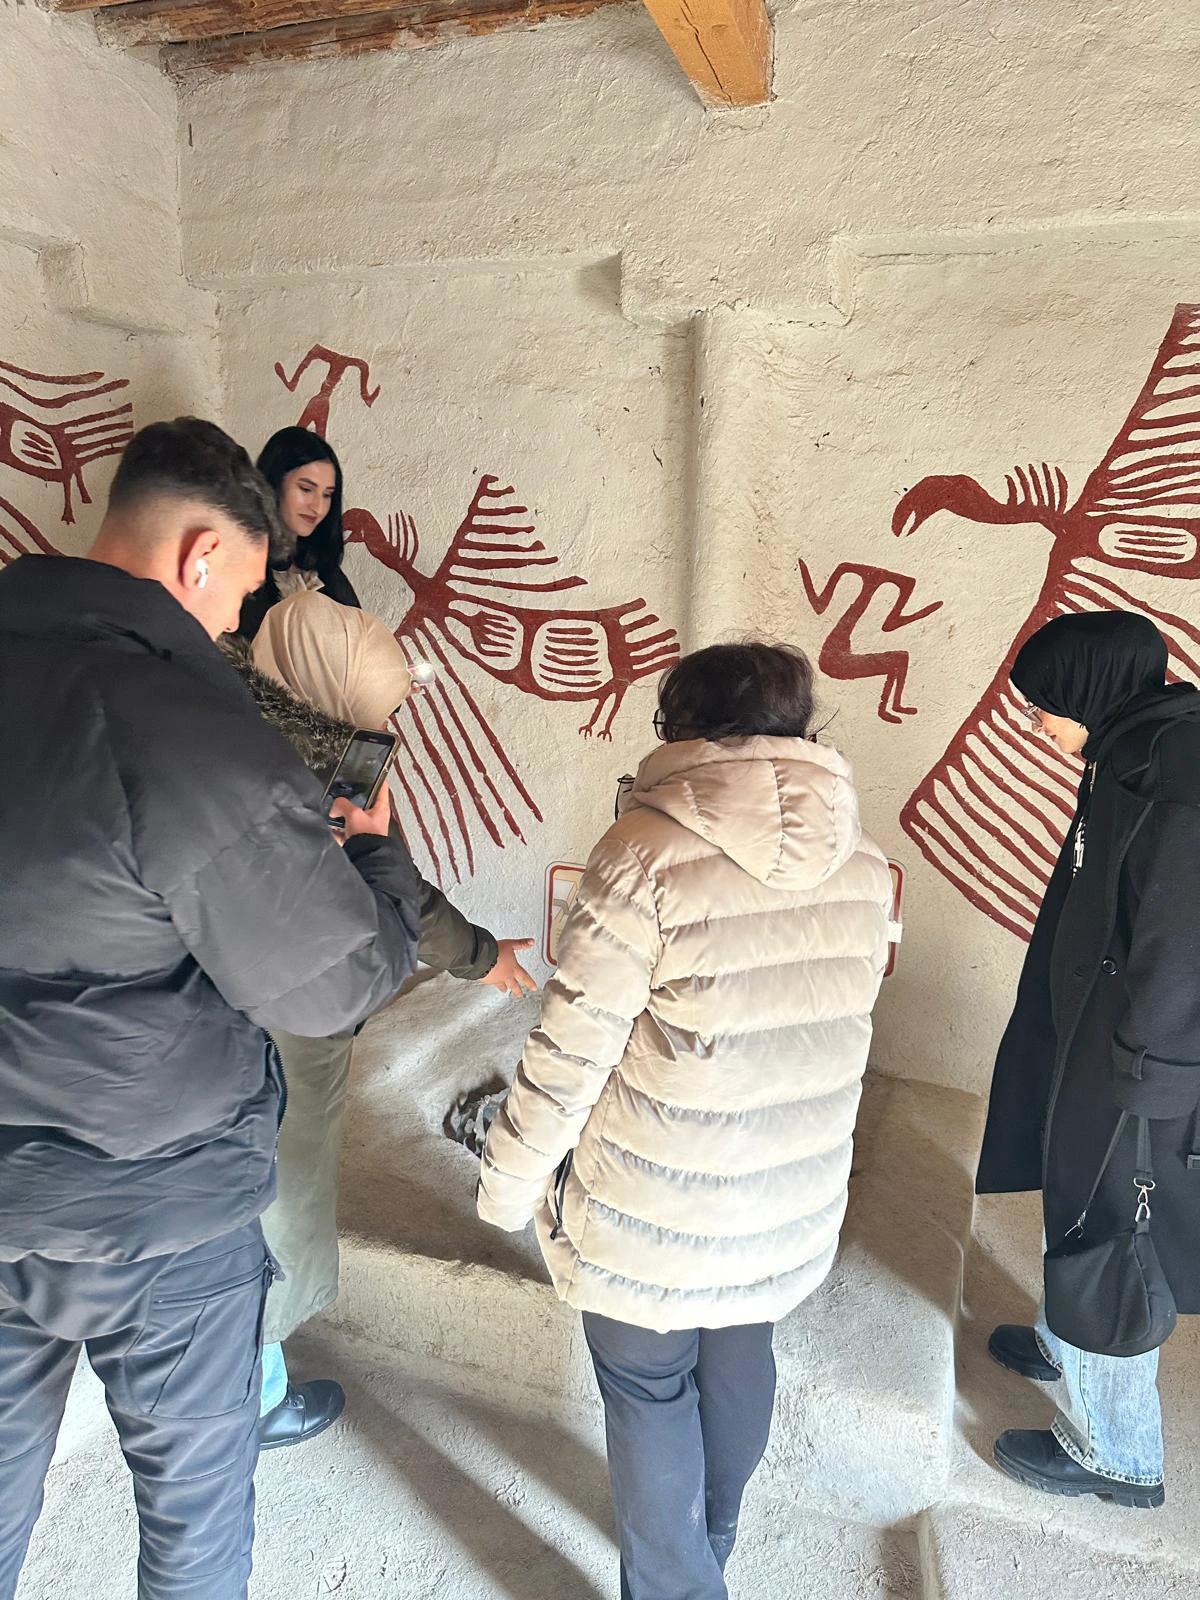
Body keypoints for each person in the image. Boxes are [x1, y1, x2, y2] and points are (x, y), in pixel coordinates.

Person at [0, 419, 423, 1600]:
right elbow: (335, 980)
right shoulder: (185, 731)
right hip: (160, 1208)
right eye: (237, 597)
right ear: (200, 555)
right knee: (191, 1527)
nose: (234, 626)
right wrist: (376, 862)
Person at [477, 641, 892, 1600]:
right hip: (786, 1185)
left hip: (649, 1196)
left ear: (680, 725)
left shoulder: (642, 854)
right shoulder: (864, 863)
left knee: (648, 1387)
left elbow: (572, 1049)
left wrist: (509, 1180)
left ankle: (678, 1583)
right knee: (741, 1348)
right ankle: (714, 1536)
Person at [226, 590, 536, 1446]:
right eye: (377, 703)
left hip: (216, 1006)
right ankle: (254, 1397)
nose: (386, 724)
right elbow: (393, 903)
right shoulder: (321, 773)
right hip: (293, 1015)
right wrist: (480, 954)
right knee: (280, 1192)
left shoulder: (216, 731)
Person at [979, 610, 1200, 1511]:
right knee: (1072, 1192)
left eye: (1044, 706)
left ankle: (1120, 1455)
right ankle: (1061, 1338)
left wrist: (1150, 1080)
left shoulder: (1175, 777)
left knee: (1114, 1234)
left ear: (1092, 692)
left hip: (1136, 1062)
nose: (1037, 723)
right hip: (1094, 1038)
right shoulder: (1127, 747)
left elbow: (1180, 948)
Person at [237, 427, 360, 640]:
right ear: (273, 484)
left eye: (327, 495)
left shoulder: (325, 571)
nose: (318, 507)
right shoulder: (237, 565)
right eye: (306, 489)